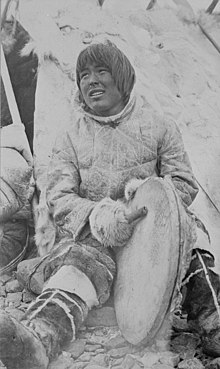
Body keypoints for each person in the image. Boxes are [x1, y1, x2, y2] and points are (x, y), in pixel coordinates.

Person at [0, 41, 219, 369]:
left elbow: (184, 184)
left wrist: (145, 203)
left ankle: (213, 320)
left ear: (123, 79)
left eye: (101, 71)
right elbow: (58, 198)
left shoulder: (159, 126)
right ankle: (39, 340)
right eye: (84, 75)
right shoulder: (70, 138)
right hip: (99, 239)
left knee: (193, 242)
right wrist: (106, 216)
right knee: (78, 265)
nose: (91, 80)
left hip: (155, 238)